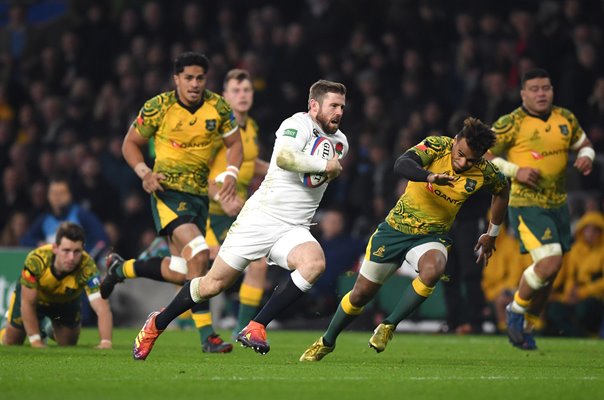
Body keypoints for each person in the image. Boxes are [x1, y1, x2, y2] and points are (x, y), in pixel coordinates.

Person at [130, 79, 348, 360]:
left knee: (314, 263)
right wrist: (323, 165)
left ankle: (256, 325)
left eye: (342, 106)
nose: (339, 112)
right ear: (314, 105)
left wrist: (325, 167)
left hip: (294, 227)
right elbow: (283, 157)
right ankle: (156, 324)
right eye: (333, 105)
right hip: (260, 219)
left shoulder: (340, 142)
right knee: (212, 285)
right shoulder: (298, 124)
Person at [300, 117, 509, 362]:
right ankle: (327, 341)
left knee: (434, 269)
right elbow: (402, 164)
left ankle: (388, 326)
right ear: (455, 141)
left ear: (482, 156)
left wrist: (491, 233)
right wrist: (429, 177)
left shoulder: (485, 171)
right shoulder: (437, 146)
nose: (462, 162)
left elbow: (503, 191)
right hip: (394, 231)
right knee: (360, 295)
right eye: (460, 153)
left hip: (432, 236)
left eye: (471, 159)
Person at [100, 68, 268, 349]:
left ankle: (122, 269)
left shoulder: (249, 129)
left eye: (247, 90)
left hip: (232, 215)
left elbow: (250, 167)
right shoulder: (213, 129)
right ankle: (211, 335)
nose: (242, 96)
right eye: (236, 91)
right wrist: (222, 195)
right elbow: (198, 168)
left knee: (190, 269)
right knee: (198, 267)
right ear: (224, 96)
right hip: (207, 210)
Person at [487, 68, 595, 350]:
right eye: (534, 89)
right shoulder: (511, 123)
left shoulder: (565, 118)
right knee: (551, 261)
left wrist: (586, 156)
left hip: (559, 204)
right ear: (523, 94)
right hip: (526, 204)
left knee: (550, 273)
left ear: (552, 90)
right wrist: (515, 170)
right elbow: (485, 157)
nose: (541, 93)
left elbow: (585, 144)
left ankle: (527, 321)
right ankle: (515, 310)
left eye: (545, 88)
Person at [0, 222, 113, 349]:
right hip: (36, 300)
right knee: (11, 341)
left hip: (66, 302)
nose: (71, 257)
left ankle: (48, 329)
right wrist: (36, 341)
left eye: (77, 251)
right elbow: (28, 303)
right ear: (55, 248)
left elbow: (102, 307)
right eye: (66, 251)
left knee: (68, 344)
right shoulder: (36, 261)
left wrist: (106, 342)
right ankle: (7, 327)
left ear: (83, 249)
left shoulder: (87, 267)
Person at [20, 175, 109, 258]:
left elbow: (102, 240)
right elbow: (24, 241)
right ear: (48, 196)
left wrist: (86, 258)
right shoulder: (44, 219)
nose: (57, 197)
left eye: (62, 193)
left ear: (69, 195)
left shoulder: (81, 215)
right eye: (54, 193)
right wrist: (39, 244)